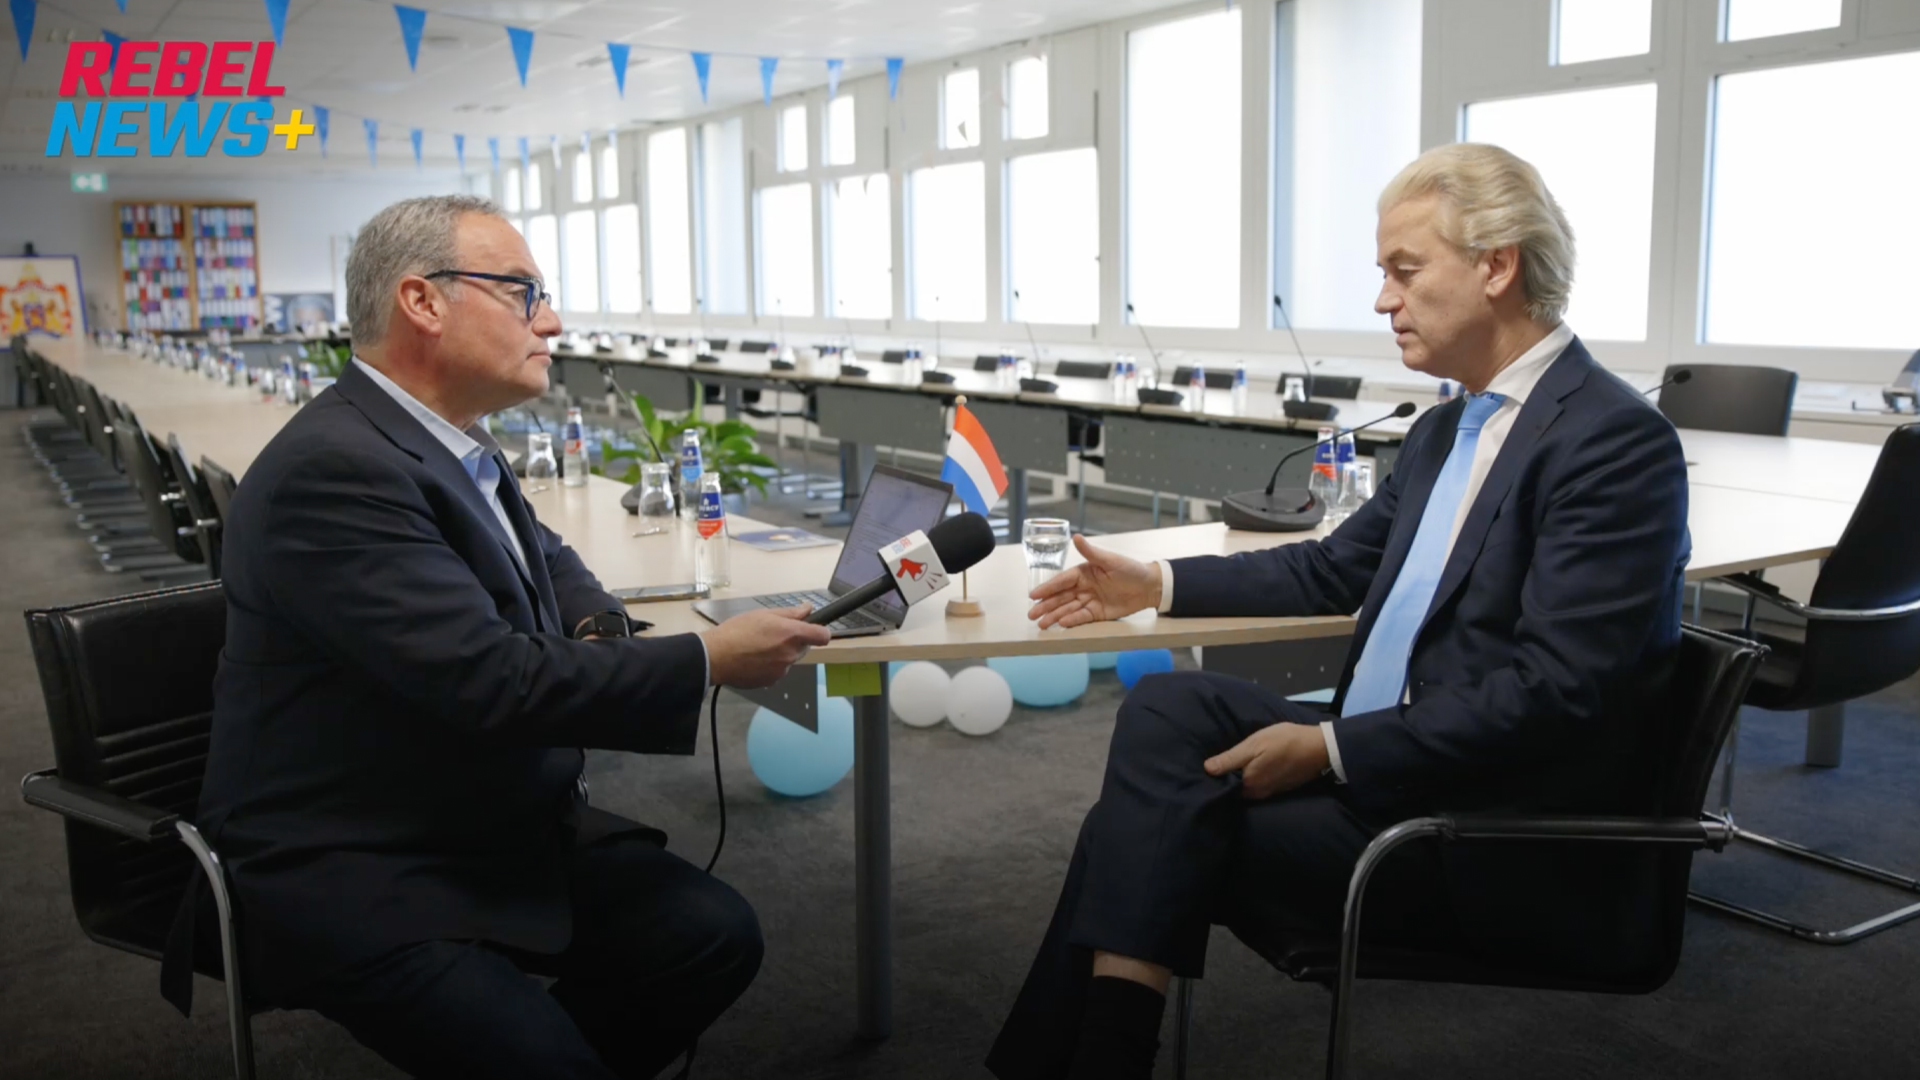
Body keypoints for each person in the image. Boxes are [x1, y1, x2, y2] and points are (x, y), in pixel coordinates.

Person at [985, 144, 1692, 1080]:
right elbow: (1330, 570)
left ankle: (1099, 1064)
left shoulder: (1615, 444)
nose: (1383, 300)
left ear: (1496, 266)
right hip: (1387, 760)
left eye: (1405, 270)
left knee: (1135, 826)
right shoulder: (1445, 428)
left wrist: (1329, 748)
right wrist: (1156, 587)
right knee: (1166, 708)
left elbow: (1557, 693)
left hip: (1476, 826)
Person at [177, 195, 831, 1080]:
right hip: (356, 853)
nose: (550, 321)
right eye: (524, 292)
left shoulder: (438, 439)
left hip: (475, 810)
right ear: (423, 302)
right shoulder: (335, 471)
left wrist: (600, 627)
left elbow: (545, 555)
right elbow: (490, 681)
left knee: (713, 935)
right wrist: (707, 658)